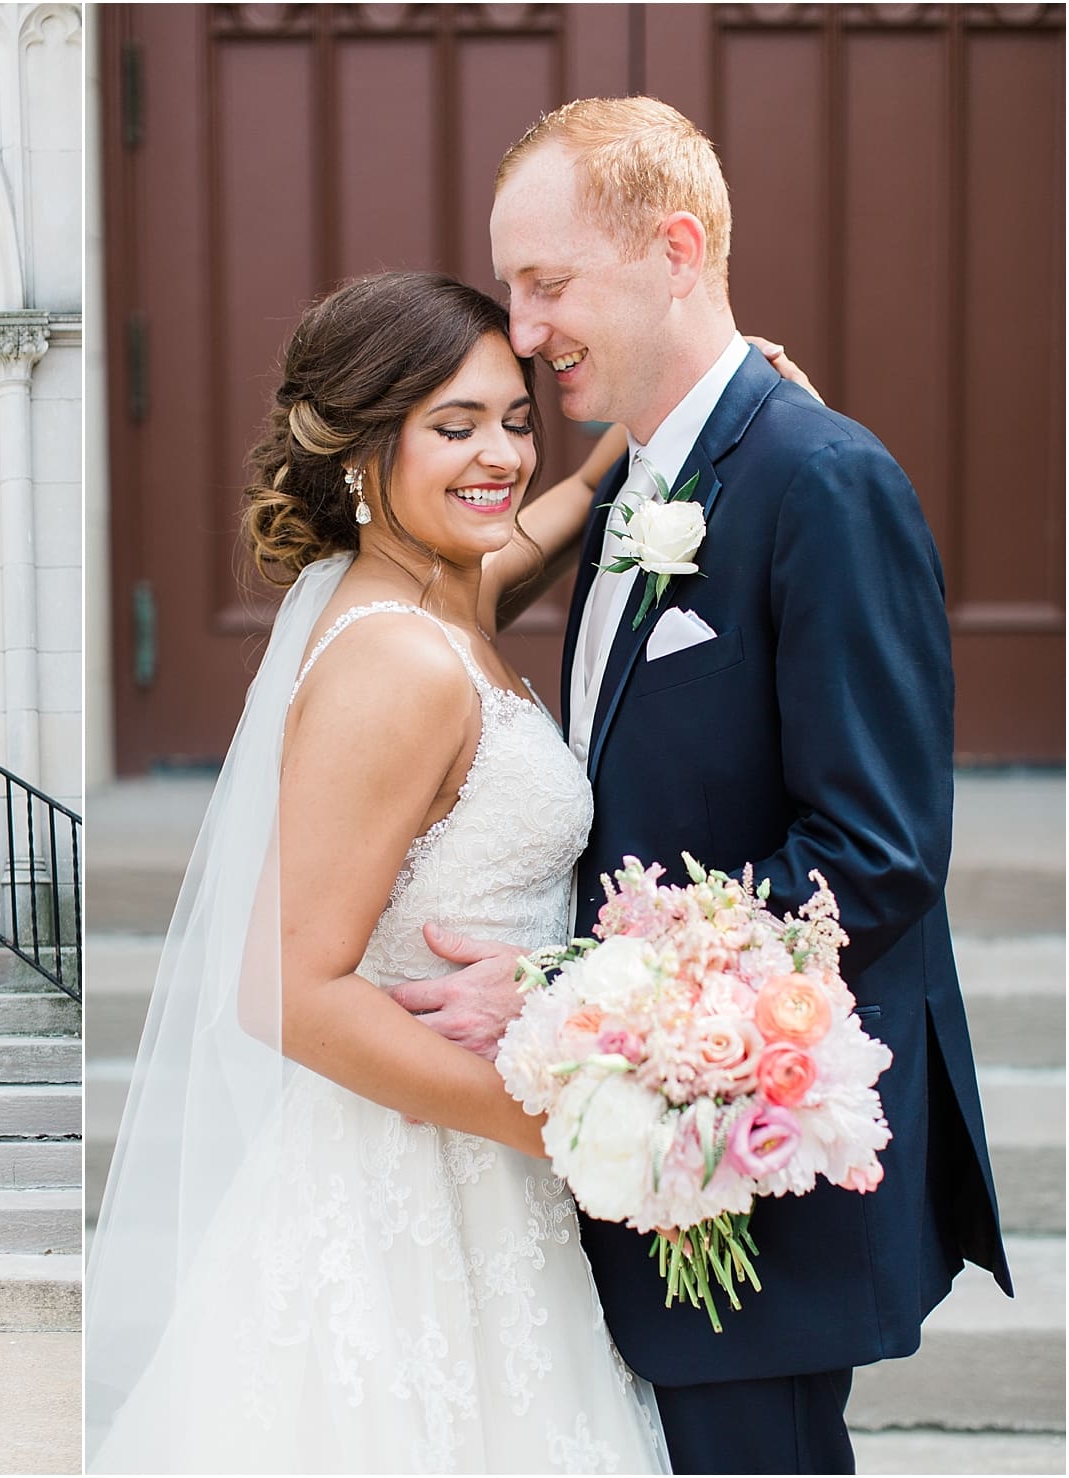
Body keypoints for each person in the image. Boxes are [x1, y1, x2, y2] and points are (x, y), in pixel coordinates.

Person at [397, 95, 1008, 1474]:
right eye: (511, 283)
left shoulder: (821, 481)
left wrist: (561, 990)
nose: (522, 324)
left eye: (546, 282)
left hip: (754, 1161)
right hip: (653, 1155)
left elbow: (872, 855)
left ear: (675, 250)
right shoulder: (637, 482)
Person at [85, 271, 674, 1473]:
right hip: (410, 1191)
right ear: (363, 448)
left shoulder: (437, 595)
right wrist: (569, 1122)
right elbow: (290, 992)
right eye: (453, 427)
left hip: (481, 1184)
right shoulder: (398, 661)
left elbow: (533, 527)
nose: (500, 455)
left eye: (515, 417)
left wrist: (654, 425)